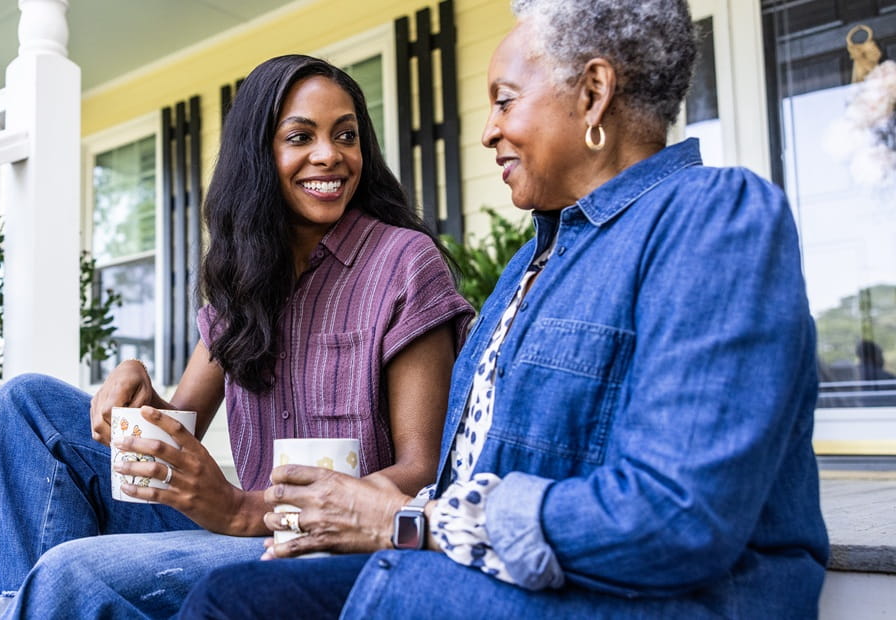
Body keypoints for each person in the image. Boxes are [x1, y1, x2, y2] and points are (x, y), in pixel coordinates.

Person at [179, 1, 829, 617]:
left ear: (594, 92)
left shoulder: (714, 217)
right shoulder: (531, 264)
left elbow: (679, 516)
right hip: (503, 581)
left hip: (653, 603)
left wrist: (406, 521)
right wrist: (362, 508)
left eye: (505, 100)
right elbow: (477, 481)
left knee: (231, 603)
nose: (489, 130)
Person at [0, 54, 474, 619]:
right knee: (23, 407)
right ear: (257, 155)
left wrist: (246, 510)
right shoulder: (243, 279)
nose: (330, 155)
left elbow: (421, 473)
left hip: (329, 549)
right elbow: (179, 428)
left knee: (71, 570)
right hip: (236, 529)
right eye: (301, 136)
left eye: (346, 136)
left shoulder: (401, 261)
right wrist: (137, 393)